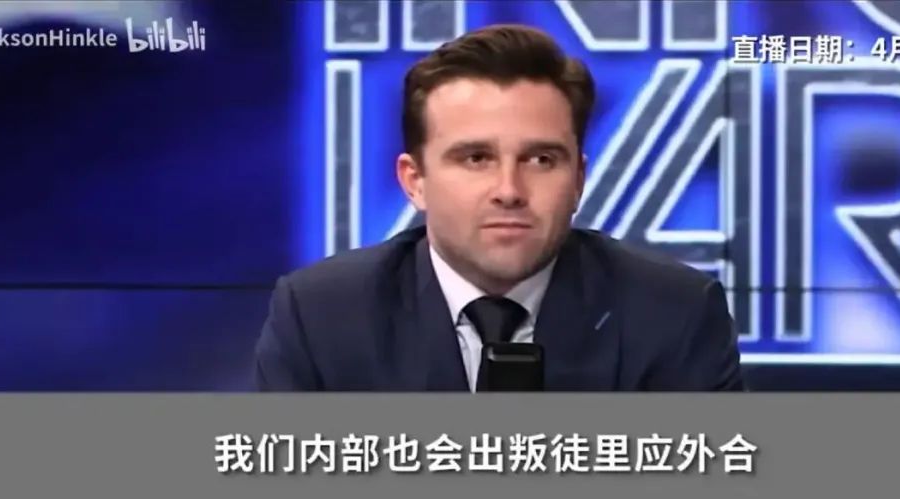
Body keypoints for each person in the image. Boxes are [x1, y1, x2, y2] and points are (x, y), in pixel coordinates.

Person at [254, 24, 744, 391]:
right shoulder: (320, 316)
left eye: (541, 159)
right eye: (476, 158)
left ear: (578, 179)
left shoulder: (674, 314)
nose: (509, 190)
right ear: (415, 181)